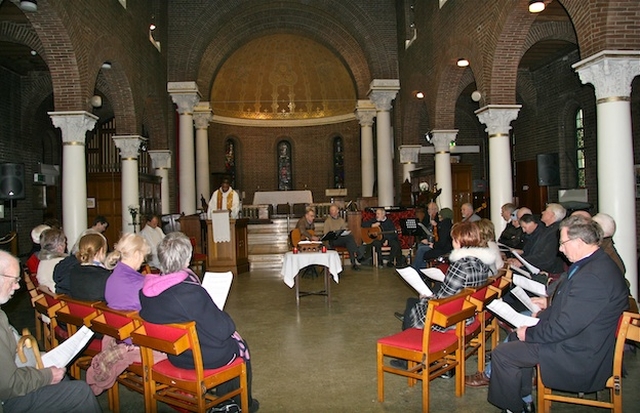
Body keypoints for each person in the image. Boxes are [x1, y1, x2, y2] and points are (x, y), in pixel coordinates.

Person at [487, 216, 629, 413]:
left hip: (579, 353)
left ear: (579, 242)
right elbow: (570, 311)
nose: (560, 249)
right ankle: (524, 399)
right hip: (578, 340)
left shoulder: (592, 277)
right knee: (513, 338)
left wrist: (530, 333)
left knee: (503, 354)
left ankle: (513, 408)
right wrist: (540, 318)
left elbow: (565, 326)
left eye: (563, 243)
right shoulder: (595, 264)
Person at [139, 232, 259, 412]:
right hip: (198, 359)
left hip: (175, 354)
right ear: (187, 260)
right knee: (239, 347)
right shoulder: (190, 293)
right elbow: (224, 329)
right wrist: (215, 310)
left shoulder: (146, 291)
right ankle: (235, 404)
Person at [0, 250, 102, 412]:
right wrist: (47, 375)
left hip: (22, 374)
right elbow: (7, 385)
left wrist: (39, 357)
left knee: (66, 380)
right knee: (80, 391)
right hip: (8, 400)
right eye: (14, 280)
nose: (18, 286)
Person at [400, 221, 495, 330]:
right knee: (415, 301)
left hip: (451, 318)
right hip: (468, 312)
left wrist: (426, 298)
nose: (452, 243)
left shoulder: (461, 265)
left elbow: (442, 299)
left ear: (459, 242)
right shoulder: (482, 262)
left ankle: (412, 340)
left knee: (412, 304)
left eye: (453, 240)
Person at [104, 233, 151, 311]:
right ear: (136, 254)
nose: (143, 260)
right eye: (143, 256)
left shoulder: (111, 279)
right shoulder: (140, 285)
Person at [68, 232, 111, 302]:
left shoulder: (73, 271)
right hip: (98, 312)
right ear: (101, 251)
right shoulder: (105, 276)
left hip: (79, 311)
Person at [323, 204, 363, 271]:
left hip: (341, 239)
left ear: (337, 211)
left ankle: (354, 263)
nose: (332, 212)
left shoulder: (341, 220)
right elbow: (325, 234)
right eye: (331, 210)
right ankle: (358, 254)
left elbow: (344, 229)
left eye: (333, 210)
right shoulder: (328, 221)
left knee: (349, 242)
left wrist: (343, 232)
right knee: (350, 239)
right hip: (333, 240)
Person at [36, 228, 67, 296]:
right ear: (60, 247)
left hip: (50, 301)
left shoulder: (42, 262)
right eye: (64, 242)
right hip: (62, 300)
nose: (66, 245)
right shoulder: (63, 263)